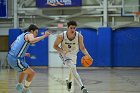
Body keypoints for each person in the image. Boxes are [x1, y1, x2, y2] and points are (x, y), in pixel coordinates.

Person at [7, 24, 51, 93]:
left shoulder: (21, 35)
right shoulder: (29, 34)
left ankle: (19, 85)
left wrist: (23, 53)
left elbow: (12, 45)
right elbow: (32, 40)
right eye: (36, 32)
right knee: (32, 73)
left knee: (23, 71)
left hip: (11, 57)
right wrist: (44, 36)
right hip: (16, 59)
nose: (36, 34)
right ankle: (25, 90)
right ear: (31, 31)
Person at [53, 20, 93, 93]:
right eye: (71, 28)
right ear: (67, 28)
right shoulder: (61, 36)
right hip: (64, 54)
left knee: (72, 70)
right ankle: (82, 87)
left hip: (74, 54)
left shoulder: (79, 36)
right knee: (73, 68)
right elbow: (55, 46)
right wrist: (62, 51)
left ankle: (68, 81)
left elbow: (82, 48)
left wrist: (88, 56)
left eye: (74, 28)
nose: (72, 30)